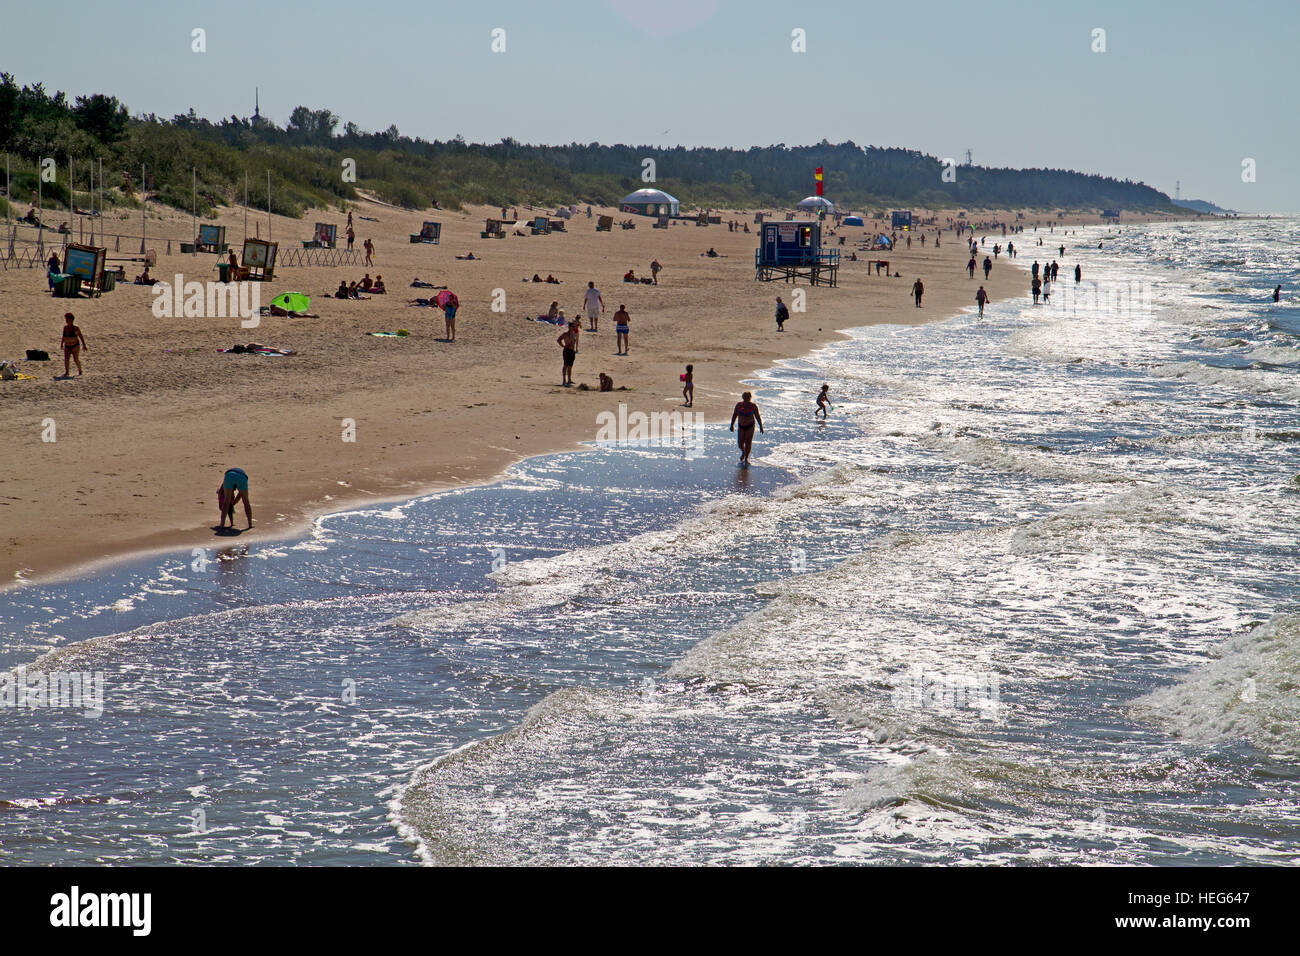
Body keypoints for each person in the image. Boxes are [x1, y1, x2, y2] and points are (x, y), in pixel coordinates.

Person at [730, 391, 764, 466]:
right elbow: (735, 415)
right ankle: (743, 452)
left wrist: (761, 426)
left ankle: (746, 458)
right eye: (744, 397)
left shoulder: (753, 406)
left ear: (750, 398)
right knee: (740, 443)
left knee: (748, 442)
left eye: (747, 397)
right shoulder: (739, 405)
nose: (745, 399)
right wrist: (732, 425)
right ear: (743, 397)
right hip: (741, 426)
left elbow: (757, 416)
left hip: (750, 426)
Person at [60, 312, 87, 377]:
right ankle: (67, 372)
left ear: (71, 320)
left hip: (75, 345)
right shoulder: (65, 328)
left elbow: (80, 336)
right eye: (66, 319)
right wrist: (61, 344)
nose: (66, 321)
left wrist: (84, 345)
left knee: (75, 359)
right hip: (67, 345)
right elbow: (63, 336)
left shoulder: (75, 328)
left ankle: (80, 370)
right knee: (66, 359)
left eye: (67, 319)